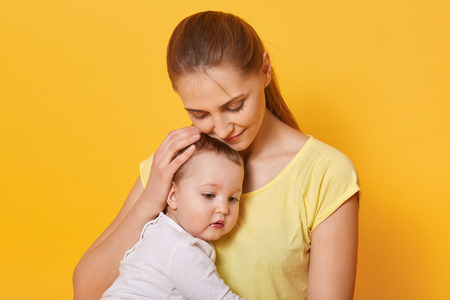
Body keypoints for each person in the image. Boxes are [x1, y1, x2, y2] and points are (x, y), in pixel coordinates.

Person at [73, 10, 360, 300]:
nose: (221, 130)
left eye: (234, 106)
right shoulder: (173, 163)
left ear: (265, 70)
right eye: (199, 115)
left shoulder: (325, 174)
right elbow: (87, 291)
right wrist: (150, 198)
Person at [101, 133, 244, 299]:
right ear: (173, 196)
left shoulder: (161, 232)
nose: (224, 208)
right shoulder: (181, 249)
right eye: (209, 195)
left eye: (233, 198)